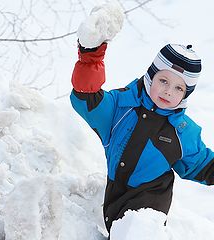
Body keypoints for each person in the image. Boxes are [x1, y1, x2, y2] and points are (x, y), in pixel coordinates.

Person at [70, 2, 214, 238]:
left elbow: (202, 165)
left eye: (179, 88)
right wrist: (90, 55)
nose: (169, 91)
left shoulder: (183, 131)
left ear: (186, 95)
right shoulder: (121, 106)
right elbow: (86, 96)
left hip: (150, 208)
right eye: (164, 81)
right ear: (151, 76)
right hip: (115, 199)